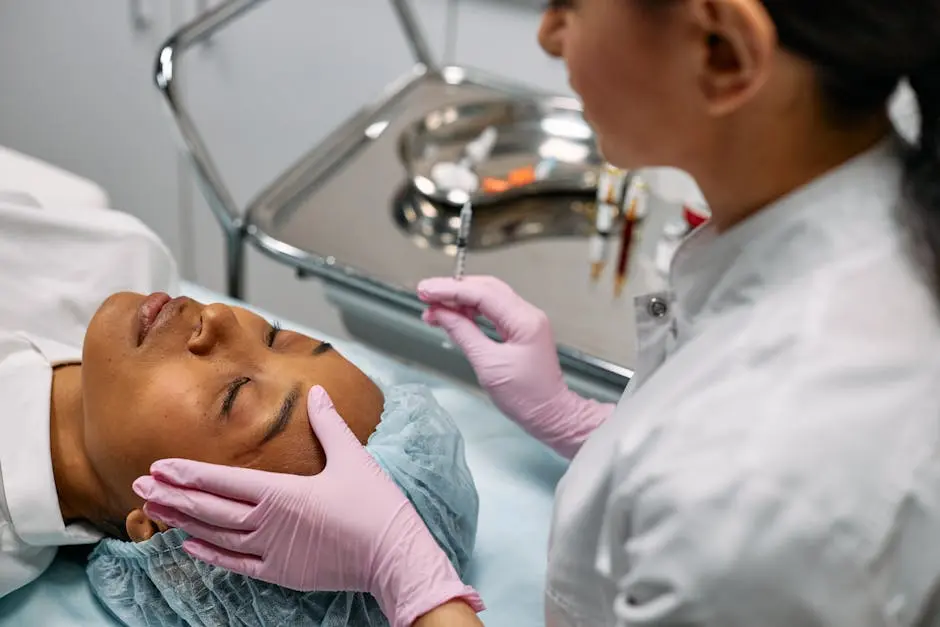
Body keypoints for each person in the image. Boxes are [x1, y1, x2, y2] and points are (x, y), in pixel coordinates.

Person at [132, 0, 940, 625]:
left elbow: (732, 506)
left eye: (572, 4)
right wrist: (588, 424)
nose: (550, 36)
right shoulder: (854, 225)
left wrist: (408, 576)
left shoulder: (765, 483)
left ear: (724, 52)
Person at [0, 197, 481, 618]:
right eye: (275, 335)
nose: (220, 317)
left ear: (168, 523)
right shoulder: (119, 257)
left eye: (234, 394)